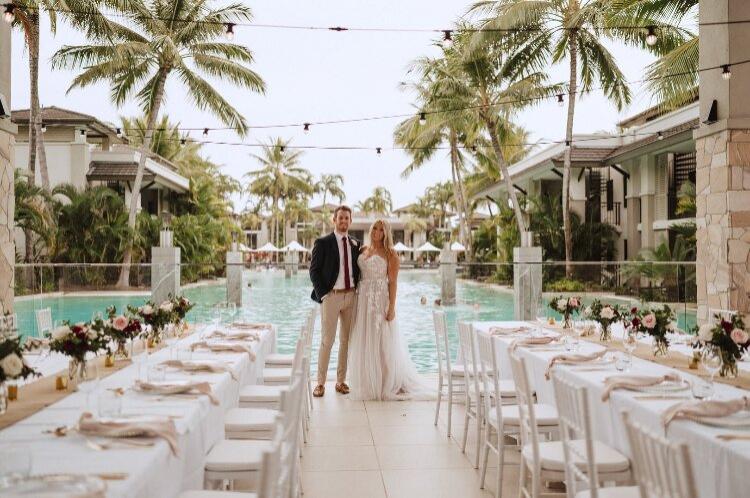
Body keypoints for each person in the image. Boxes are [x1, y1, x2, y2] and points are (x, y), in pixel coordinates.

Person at [347, 219, 433, 401]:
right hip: (362, 300)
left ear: (386, 233)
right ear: (371, 230)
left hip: (380, 300)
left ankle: (387, 382)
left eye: (381, 230)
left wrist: (392, 306)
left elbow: (393, 282)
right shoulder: (363, 250)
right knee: (364, 339)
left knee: (382, 342)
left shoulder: (391, 254)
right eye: (375, 228)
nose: (377, 232)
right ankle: (368, 381)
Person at [309, 205, 361, 397]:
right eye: (340, 218)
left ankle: (340, 381)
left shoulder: (356, 243)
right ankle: (320, 383)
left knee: (345, 341)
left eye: (347, 218)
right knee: (327, 340)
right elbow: (313, 271)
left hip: (351, 297)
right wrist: (324, 295)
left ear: (350, 220)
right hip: (331, 297)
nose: (344, 221)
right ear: (334, 220)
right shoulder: (323, 242)